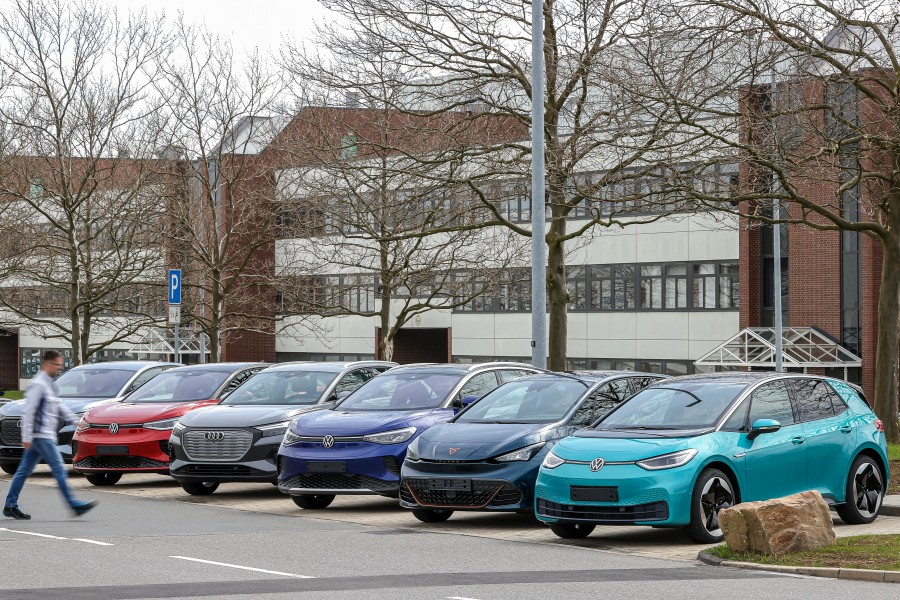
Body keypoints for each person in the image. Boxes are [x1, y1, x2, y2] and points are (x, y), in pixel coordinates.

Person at [3, 350, 97, 519]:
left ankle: (10, 504)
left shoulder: (49, 384)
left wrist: (75, 420)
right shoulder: (38, 384)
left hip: (43, 436)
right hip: (41, 436)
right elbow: (29, 411)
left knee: (23, 471)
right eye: (57, 365)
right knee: (60, 469)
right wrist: (25, 437)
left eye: (60, 365)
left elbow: (59, 405)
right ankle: (74, 505)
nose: (59, 368)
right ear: (47, 364)